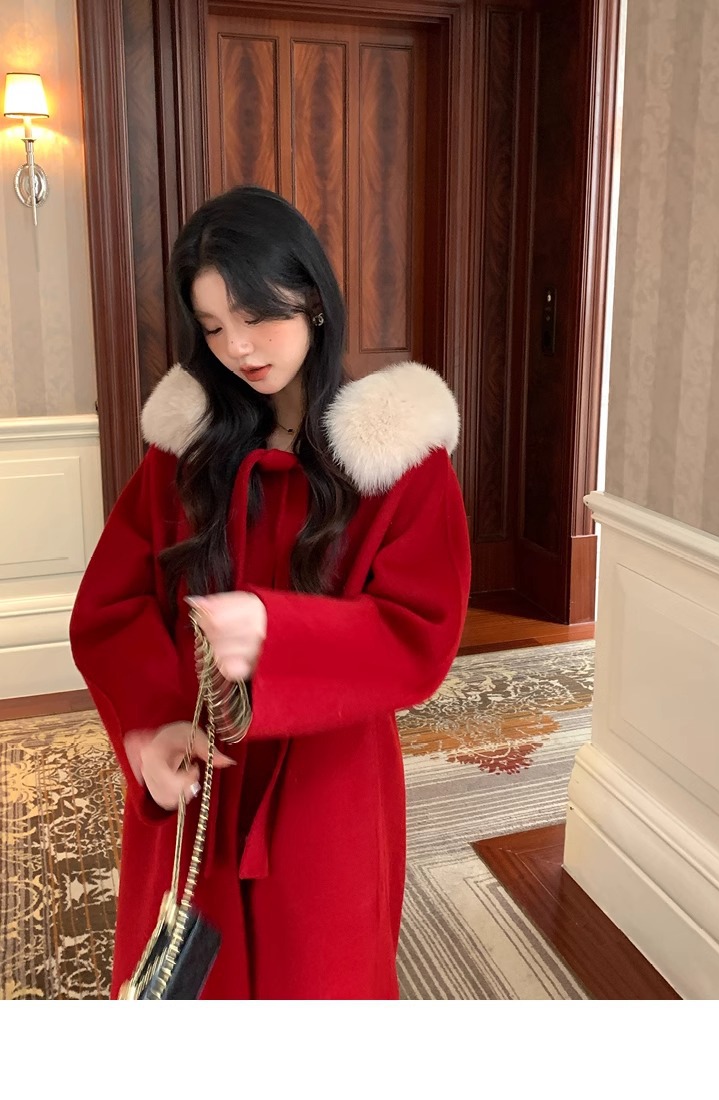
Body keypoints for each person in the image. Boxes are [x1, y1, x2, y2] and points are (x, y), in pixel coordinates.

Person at [69, 185, 471, 1000]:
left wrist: (277, 636)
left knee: (318, 980)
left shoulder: (398, 463)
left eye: (257, 314)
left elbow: (420, 633)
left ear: (313, 297)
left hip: (327, 790)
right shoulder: (184, 452)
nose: (240, 347)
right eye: (213, 326)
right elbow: (111, 609)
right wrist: (149, 731)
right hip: (196, 777)